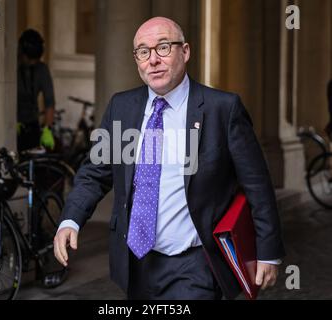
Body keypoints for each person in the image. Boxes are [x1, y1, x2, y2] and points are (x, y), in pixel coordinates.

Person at [54, 17, 285, 300]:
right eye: (143, 51)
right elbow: (94, 172)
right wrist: (70, 221)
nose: (152, 59)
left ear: (185, 52)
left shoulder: (222, 109)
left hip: (194, 264)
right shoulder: (121, 107)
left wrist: (268, 251)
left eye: (163, 47)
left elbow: (257, 184)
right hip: (136, 264)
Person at [17, 29, 55, 152]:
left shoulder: (42, 69)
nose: (32, 63)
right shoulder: (11, 66)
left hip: (32, 124)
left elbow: (49, 100)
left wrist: (47, 129)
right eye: (29, 59)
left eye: (35, 61)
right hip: (12, 124)